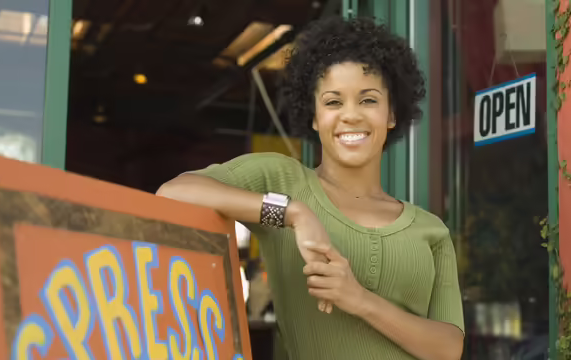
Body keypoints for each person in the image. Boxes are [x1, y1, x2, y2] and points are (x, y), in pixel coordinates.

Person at [157, 16, 464, 360]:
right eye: (334, 102)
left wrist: (358, 299)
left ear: (392, 113)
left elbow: (449, 350)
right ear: (315, 116)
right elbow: (174, 192)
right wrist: (292, 212)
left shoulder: (430, 230)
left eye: (368, 100)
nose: (350, 115)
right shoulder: (282, 180)